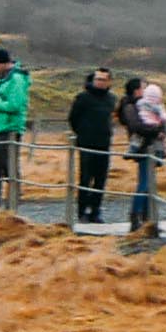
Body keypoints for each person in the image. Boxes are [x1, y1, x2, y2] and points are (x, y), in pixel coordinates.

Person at [122, 74, 166, 234]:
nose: (145, 91)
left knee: (148, 183)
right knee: (144, 183)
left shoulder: (138, 106)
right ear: (136, 90)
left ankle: (146, 217)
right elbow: (138, 126)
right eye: (143, 88)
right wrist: (158, 131)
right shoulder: (131, 107)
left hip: (147, 147)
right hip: (145, 148)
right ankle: (137, 216)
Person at [66, 69, 118, 227]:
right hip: (87, 144)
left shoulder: (111, 99)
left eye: (103, 79)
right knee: (85, 178)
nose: (99, 82)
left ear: (109, 82)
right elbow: (73, 118)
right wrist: (82, 134)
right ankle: (82, 212)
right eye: (97, 79)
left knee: (100, 179)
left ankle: (95, 211)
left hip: (104, 143)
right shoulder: (83, 98)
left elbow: (112, 117)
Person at [0, 49, 32, 209]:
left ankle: (12, 206)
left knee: (9, 168)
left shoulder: (16, 80)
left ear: (5, 64)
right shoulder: (2, 80)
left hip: (9, 129)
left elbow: (14, 105)